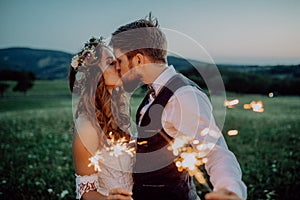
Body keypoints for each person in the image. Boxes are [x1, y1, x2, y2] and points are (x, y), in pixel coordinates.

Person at [110, 15, 247, 200]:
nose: (118, 68)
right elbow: (162, 136)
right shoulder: (155, 90)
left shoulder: (184, 96)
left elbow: (215, 151)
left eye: (120, 61)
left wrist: (229, 190)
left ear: (138, 60)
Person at [69, 37, 134, 200]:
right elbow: (85, 192)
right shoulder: (87, 128)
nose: (119, 67)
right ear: (94, 75)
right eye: (111, 63)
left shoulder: (118, 114)